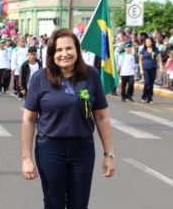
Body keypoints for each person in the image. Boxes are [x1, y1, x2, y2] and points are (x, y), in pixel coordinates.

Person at [21, 29, 115, 209]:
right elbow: (29, 120)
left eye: (69, 48)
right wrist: (27, 158)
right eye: (58, 50)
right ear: (51, 53)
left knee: (79, 205)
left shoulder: (91, 75)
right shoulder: (40, 78)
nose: (64, 54)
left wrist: (109, 154)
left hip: (83, 149)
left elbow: (102, 116)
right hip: (50, 149)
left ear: (77, 50)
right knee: (53, 203)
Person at [139, 37, 163, 104]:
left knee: (151, 84)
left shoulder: (156, 49)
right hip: (145, 68)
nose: (147, 43)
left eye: (149, 41)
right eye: (146, 42)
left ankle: (150, 98)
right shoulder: (143, 50)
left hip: (153, 68)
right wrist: (141, 69)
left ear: (152, 42)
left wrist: (161, 67)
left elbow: (159, 59)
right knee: (146, 83)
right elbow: (140, 60)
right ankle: (144, 96)